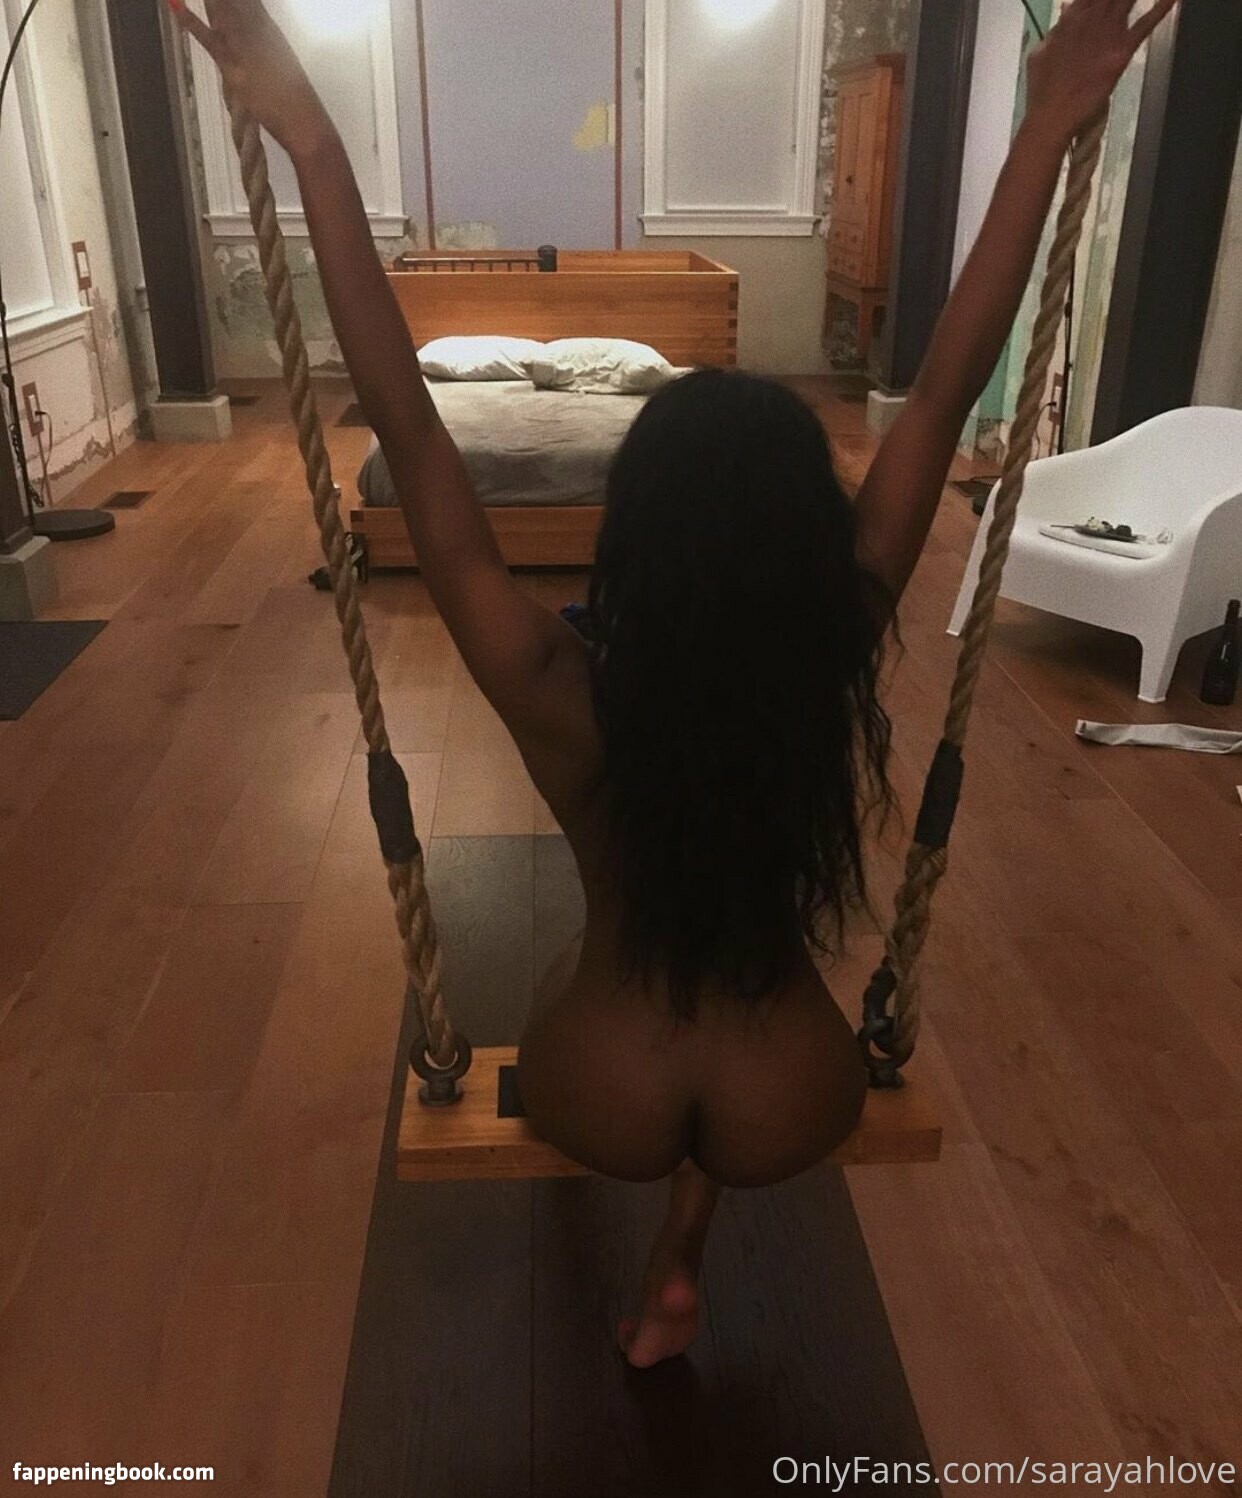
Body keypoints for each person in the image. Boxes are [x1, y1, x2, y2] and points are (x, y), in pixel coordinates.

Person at [174, 0, 1179, 1369]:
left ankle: (651, 1239)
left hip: (602, 1084)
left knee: (578, 962)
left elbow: (405, 419)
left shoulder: (555, 685)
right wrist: (1046, 131)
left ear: (636, 539)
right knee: (728, 974)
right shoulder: (834, 635)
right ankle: (682, 1257)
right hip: (795, 1090)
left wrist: (316, 150)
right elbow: (942, 395)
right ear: (805, 543)